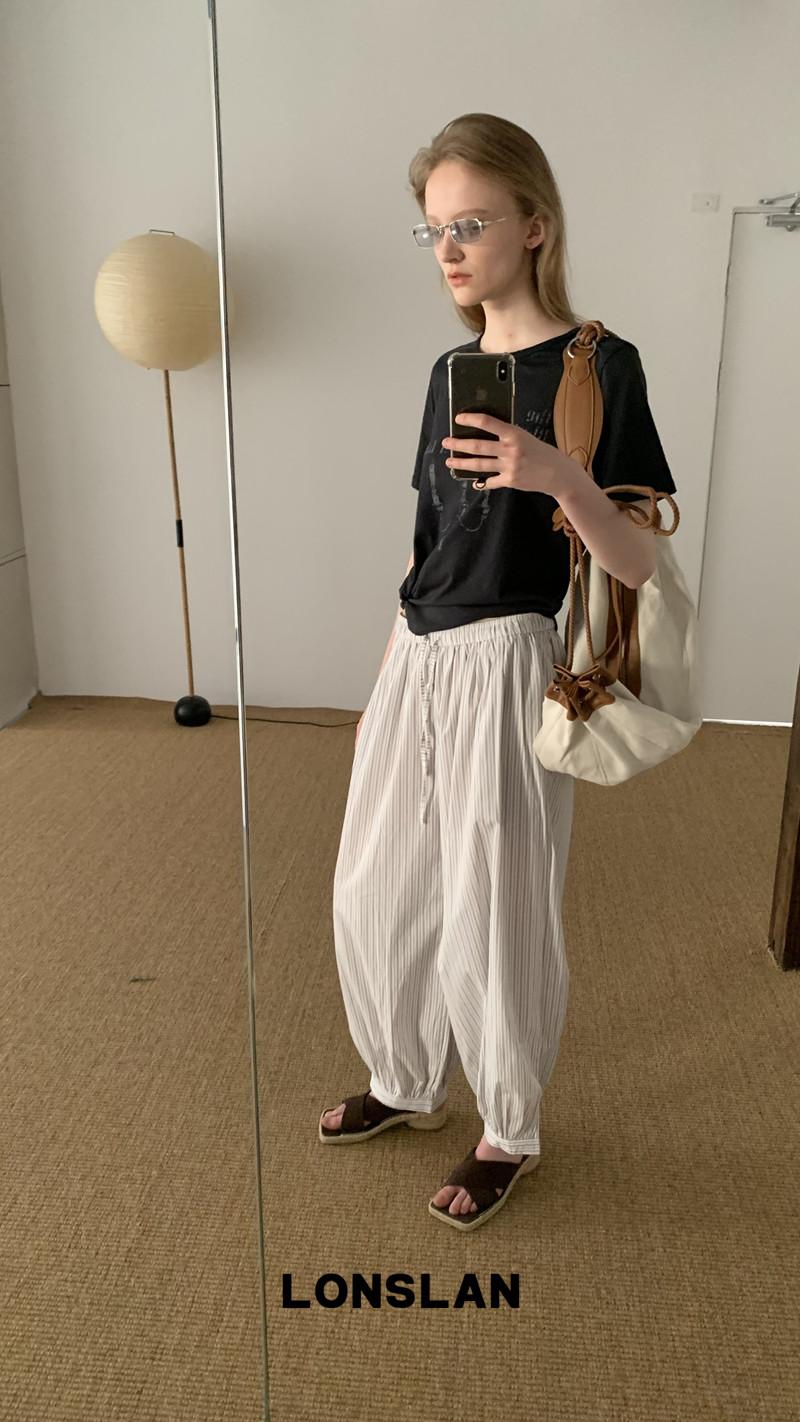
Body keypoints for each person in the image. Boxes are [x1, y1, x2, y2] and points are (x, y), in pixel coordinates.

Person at [320, 113, 677, 1232]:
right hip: (419, 652)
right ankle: (403, 1078)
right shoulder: (449, 372)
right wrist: (387, 673)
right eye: (433, 229)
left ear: (534, 223)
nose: (450, 248)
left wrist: (556, 474)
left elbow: (638, 560)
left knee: (495, 906)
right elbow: (427, 543)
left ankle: (505, 1130)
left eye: (471, 223)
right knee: (374, 886)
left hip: (511, 657)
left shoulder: (601, 365)